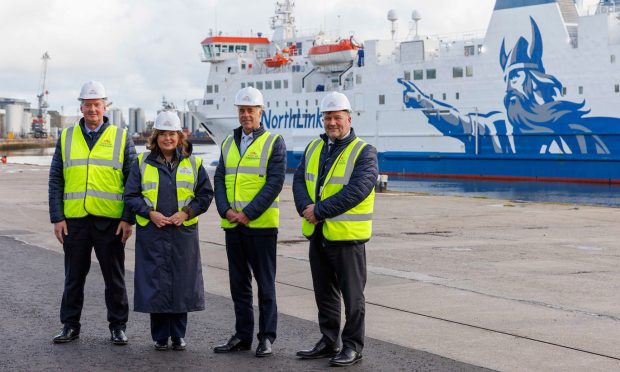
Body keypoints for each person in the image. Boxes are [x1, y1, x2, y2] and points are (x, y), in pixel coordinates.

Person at [292, 92, 378, 366]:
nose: (332, 122)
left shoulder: (364, 152)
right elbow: (298, 181)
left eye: (337, 117)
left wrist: (319, 211)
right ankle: (329, 340)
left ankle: (353, 346)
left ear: (348, 119)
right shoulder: (314, 148)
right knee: (324, 293)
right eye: (328, 117)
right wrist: (306, 207)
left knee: (353, 297)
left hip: (347, 238)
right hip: (318, 234)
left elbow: (359, 190)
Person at [48, 81, 136, 345]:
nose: (92, 110)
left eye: (97, 105)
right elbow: (56, 179)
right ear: (81, 107)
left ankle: (118, 326)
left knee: (114, 277)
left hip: (110, 221)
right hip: (75, 220)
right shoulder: (66, 137)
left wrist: (128, 219)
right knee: (73, 277)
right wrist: (57, 217)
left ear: (105, 106)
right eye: (88, 105)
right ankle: (70, 325)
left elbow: (132, 181)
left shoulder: (121, 137)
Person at [124, 111, 213, 351]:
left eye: (172, 133)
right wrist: (149, 213)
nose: (167, 138)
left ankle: (178, 334)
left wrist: (186, 213)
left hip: (182, 233)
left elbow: (205, 195)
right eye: (162, 134)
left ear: (180, 136)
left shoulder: (194, 163)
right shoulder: (142, 163)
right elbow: (130, 196)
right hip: (153, 232)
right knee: (157, 283)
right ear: (155, 137)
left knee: (182, 282)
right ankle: (161, 336)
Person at [213, 87, 286, 358]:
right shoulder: (227, 143)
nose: (246, 115)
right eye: (242, 111)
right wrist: (225, 210)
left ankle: (266, 337)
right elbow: (219, 178)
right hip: (233, 226)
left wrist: (249, 213)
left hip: (261, 226)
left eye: (250, 111)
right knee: (239, 284)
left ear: (260, 112)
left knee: (265, 285)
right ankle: (242, 335)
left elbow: (275, 181)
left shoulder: (273, 142)